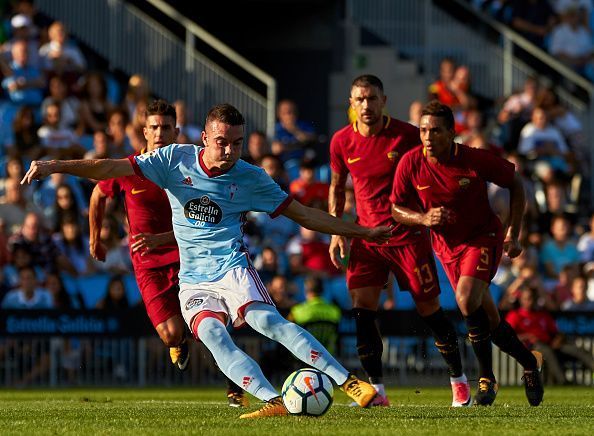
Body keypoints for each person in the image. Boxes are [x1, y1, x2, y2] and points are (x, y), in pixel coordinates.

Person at [21, 102, 392, 419]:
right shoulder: (172, 160)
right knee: (214, 336)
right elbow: (106, 169)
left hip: (233, 268)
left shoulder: (251, 178)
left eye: (237, 143)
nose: (230, 151)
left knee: (268, 322)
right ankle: (274, 400)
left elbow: (306, 216)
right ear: (204, 139)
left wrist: (361, 231)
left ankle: (350, 383)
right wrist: (54, 165)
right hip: (194, 279)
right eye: (222, 142)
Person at [329, 75, 471, 407]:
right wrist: (338, 231)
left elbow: (436, 167)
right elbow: (337, 187)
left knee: (429, 310)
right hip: (366, 237)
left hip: (407, 236)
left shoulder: (407, 135)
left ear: (384, 100)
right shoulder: (341, 142)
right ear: (351, 103)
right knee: (363, 311)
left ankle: (458, 380)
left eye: (372, 98)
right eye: (360, 99)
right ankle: (376, 390)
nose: (367, 105)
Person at [390, 100, 544, 406]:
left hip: (482, 237)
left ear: (451, 133)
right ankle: (530, 362)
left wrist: (514, 231)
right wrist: (422, 219)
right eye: (422, 131)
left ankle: (486, 378)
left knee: (464, 299)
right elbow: (395, 209)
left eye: (435, 131)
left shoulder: (473, 160)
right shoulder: (410, 162)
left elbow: (515, 183)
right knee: (489, 318)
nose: (428, 138)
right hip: (447, 249)